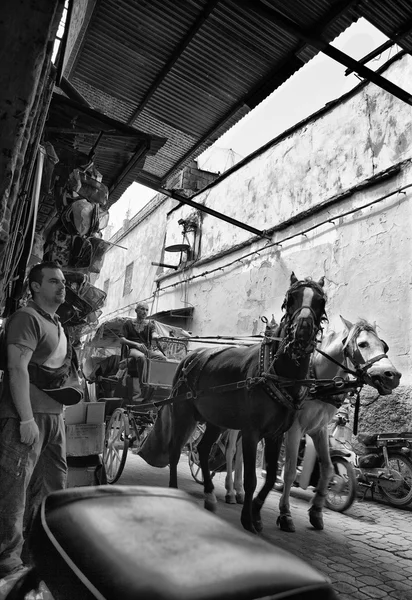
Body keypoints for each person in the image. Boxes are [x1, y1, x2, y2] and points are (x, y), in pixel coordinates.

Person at [0, 261, 72, 579]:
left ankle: (37, 551)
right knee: (14, 488)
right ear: (35, 286)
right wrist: (26, 418)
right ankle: (7, 559)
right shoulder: (25, 318)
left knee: (52, 488)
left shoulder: (58, 325)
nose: (62, 286)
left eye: (64, 282)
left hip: (54, 418)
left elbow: (56, 375)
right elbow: (17, 369)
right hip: (23, 416)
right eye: (54, 281)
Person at [119, 302, 166, 400]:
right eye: (142, 309)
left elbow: (154, 334)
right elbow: (122, 339)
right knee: (141, 357)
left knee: (162, 357)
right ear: (136, 311)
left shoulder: (150, 324)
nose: (145, 312)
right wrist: (136, 344)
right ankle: (143, 385)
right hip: (132, 349)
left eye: (146, 310)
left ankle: (156, 383)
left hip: (146, 349)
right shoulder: (128, 323)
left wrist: (156, 336)